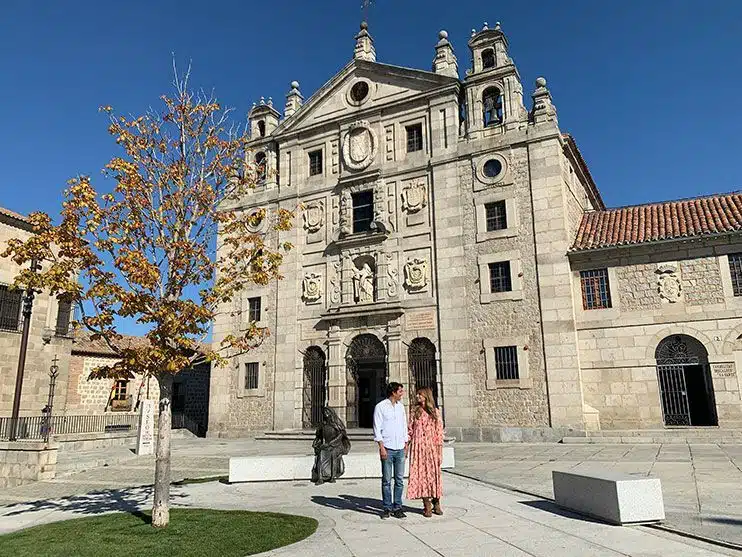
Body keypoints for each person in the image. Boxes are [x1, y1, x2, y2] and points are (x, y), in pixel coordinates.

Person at [406, 387, 444, 517]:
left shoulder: (435, 412)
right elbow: (409, 430)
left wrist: (439, 451)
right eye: (417, 394)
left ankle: (436, 501)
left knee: (433, 475)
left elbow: (439, 433)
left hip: (431, 448)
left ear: (426, 396)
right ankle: (426, 504)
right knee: (420, 476)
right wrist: (406, 446)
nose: (417, 397)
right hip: (418, 449)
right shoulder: (414, 412)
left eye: (420, 394)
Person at [373, 382, 408, 519]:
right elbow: (377, 428)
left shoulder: (401, 407)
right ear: (393, 392)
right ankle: (387, 507)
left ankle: (398, 507)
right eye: (400, 391)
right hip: (387, 447)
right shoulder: (380, 407)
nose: (402, 394)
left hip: (400, 447)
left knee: (399, 480)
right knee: (386, 480)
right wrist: (381, 447)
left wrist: (406, 444)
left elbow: (404, 425)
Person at [311, 407, 351, 485]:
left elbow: (340, 436)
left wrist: (331, 444)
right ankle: (320, 478)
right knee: (320, 454)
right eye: (324, 413)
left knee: (333, 454)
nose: (326, 414)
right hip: (326, 444)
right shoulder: (323, 424)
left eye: (327, 412)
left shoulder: (337, 423)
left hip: (337, 445)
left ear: (331, 413)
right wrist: (318, 443)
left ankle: (332, 476)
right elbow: (318, 436)